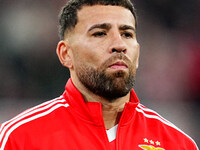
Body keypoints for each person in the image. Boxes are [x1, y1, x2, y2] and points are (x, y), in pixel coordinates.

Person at [0, 0, 198, 149]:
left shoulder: (178, 143)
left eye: (127, 34)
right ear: (66, 54)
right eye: (100, 33)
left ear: (137, 53)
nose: (119, 45)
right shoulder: (19, 139)